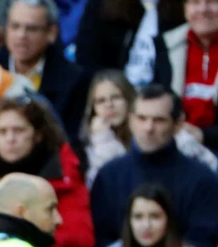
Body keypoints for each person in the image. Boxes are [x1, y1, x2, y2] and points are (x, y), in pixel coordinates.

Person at [0, 96, 96, 247]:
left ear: (38, 135)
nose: (10, 138)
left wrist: (14, 242)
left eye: (19, 130)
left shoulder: (64, 175)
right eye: (2, 132)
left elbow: (80, 240)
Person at [91, 84, 218, 247]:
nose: (148, 128)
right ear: (131, 120)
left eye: (159, 120)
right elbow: (100, 240)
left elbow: (202, 242)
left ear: (178, 124)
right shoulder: (109, 176)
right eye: (142, 118)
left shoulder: (202, 179)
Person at [80, 70, 218, 189]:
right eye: (100, 101)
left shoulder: (163, 130)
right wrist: (104, 142)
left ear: (130, 99)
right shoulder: (94, 142)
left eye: (116, 97)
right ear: (93, 108)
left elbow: (212, 168)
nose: (109, 105)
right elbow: (103, 188)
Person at [0, 0, 90, 139]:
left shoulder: (73, 80)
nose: (21, 35)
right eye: (15, 26)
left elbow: (68, 140)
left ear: (51, 33)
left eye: (31, 29)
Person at [75, 0, 185, 86]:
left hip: (164, 98)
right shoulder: (102, 6)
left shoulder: (183, 8)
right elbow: (86, 59)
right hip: (117, 95)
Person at [162, 0, 218, 152]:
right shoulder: (167, 45)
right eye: (194, 2)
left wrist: (203, 134)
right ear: (185, 9)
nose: (203, 9)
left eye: (212, 2)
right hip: (175, 145)